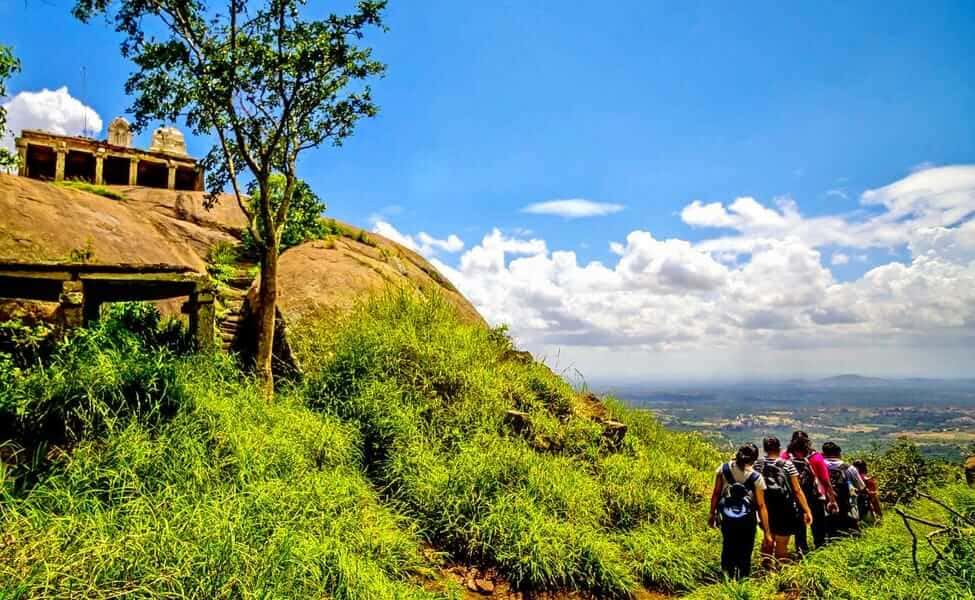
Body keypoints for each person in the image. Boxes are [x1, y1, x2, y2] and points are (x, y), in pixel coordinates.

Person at [708, 443, 774, 579]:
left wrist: (712, 514)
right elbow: (761, 506)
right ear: (754, 460)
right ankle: (742, 580)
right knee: (745, 551)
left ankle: (726, 578)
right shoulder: (756, 478)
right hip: (747, 521)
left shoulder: (723, 469)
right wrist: (767, 532)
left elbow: (716, 493)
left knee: (728, 547)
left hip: (727, 518)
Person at [755, 436, 814, 565]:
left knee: (767, 541)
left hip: (764, 509)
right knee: (782, 546)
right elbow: (797, 490)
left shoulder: (758, 464)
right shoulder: (787, 464)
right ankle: (780, 576)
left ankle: (765, 573)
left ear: (765, 449)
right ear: (779, 448)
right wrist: (807, 510)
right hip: (785, 510)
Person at [782, 431, 837, 554]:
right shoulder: (816, 457)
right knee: (818, 524)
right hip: (813, 497)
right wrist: (832, 500)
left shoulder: (785, 457)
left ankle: (801, 550)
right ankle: (820, 548)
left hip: (794, 498)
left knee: (799, 526)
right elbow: (825, 481)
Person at [821, 442, 866, 541]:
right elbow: (861, 486)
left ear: (823, 453)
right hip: (844, 504)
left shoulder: (819, 466)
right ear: (838, 453)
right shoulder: (847, 467)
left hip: (823, 504)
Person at [852, 459, 883, 524]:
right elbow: (874, 499)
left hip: (853, 512)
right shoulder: (869, 480)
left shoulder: (849, 480)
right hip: (867, 511)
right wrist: (879, 514)